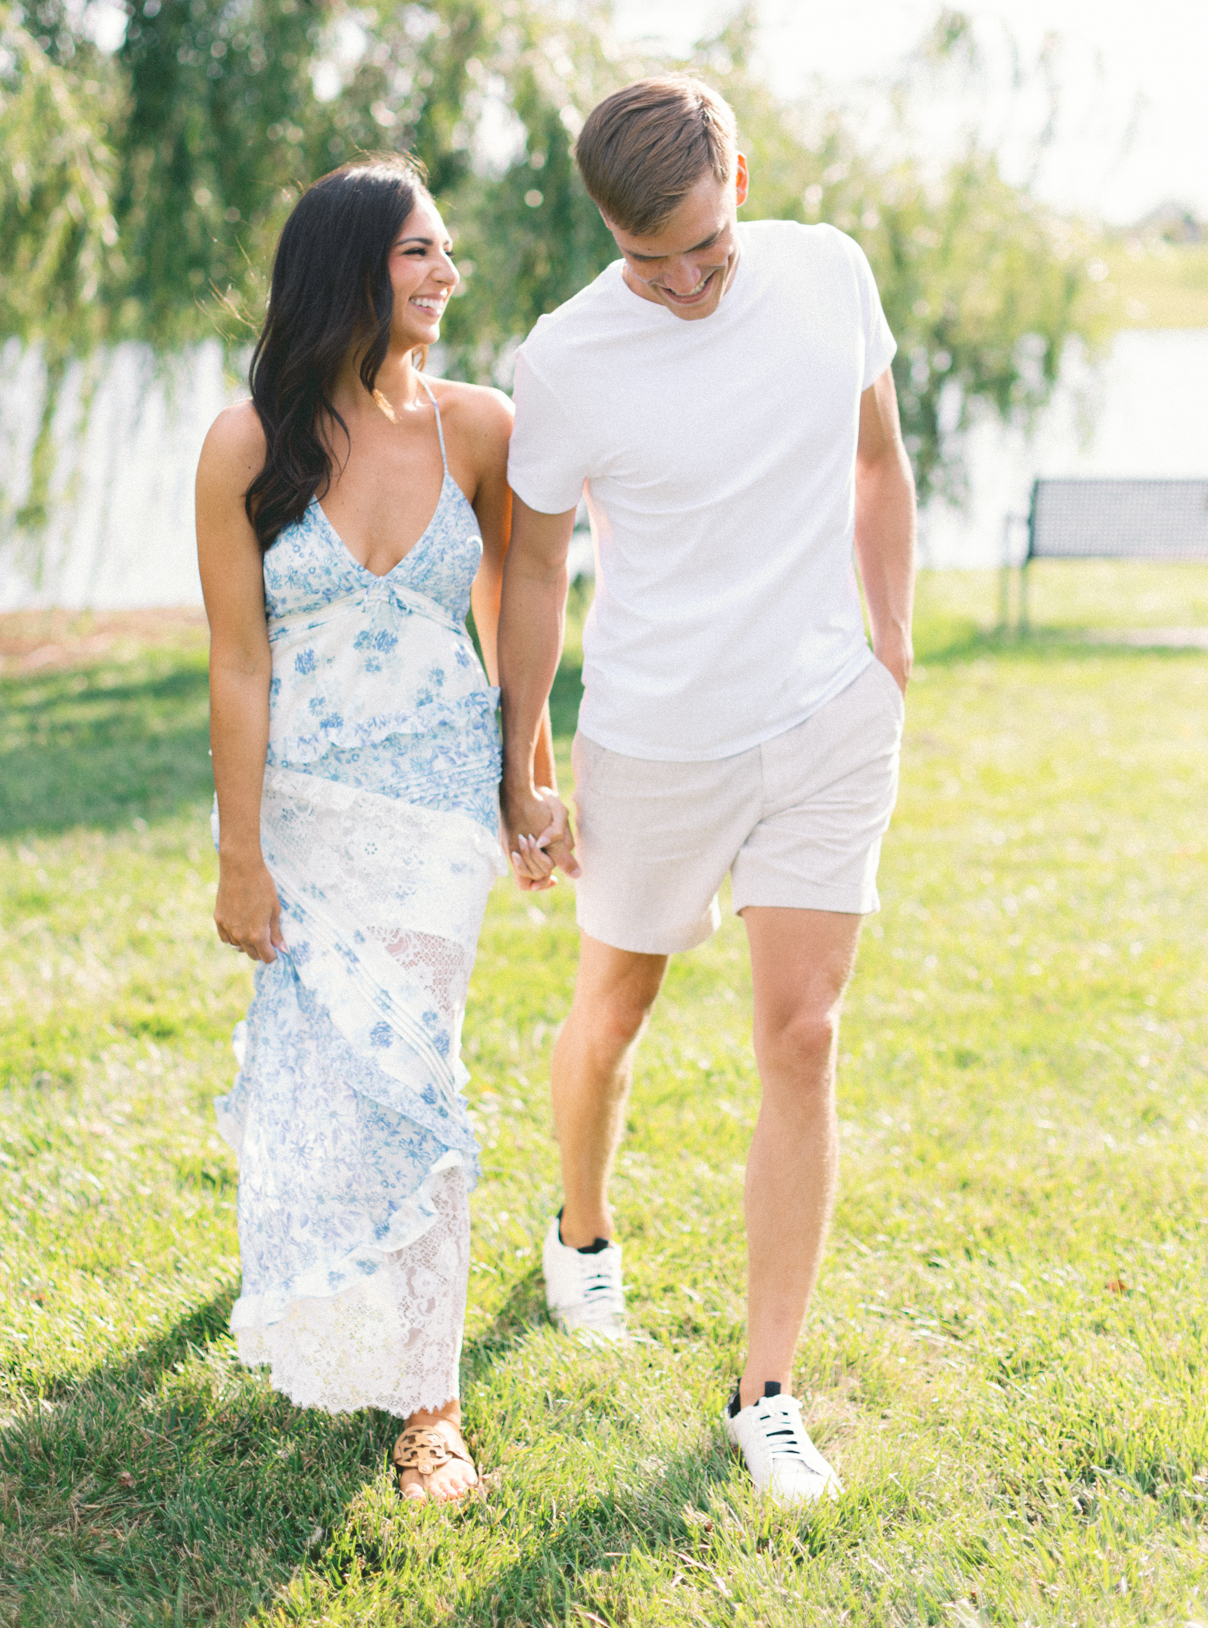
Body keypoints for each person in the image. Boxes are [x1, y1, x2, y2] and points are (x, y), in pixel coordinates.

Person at [497, 76, 915, 1504]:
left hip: (820, 718)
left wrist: (892, 647)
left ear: (738, 170)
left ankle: (764, 1393)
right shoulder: (560, 360)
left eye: (704, 249)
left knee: (801, 1035)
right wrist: (523, 763)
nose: (679, 283)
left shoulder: (826, 272)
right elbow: (538, 567)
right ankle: (583, 1231)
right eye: (644, 258)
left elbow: (875, 457)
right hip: (654, 740)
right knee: (612, 1010)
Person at [195, 156, 550, 1504]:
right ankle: (329, 1286)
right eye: (418, 254)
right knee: (328, 1070)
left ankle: (430, 1405)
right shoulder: (248, 443)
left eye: (446, 252)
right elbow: (237, 663)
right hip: (306, 805)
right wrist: (240, 854)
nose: (446, 276)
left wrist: (527, 780)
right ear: (348, 267)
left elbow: (521, 618)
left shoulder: (483, 429)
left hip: (437, 805)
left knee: (416, 1070)